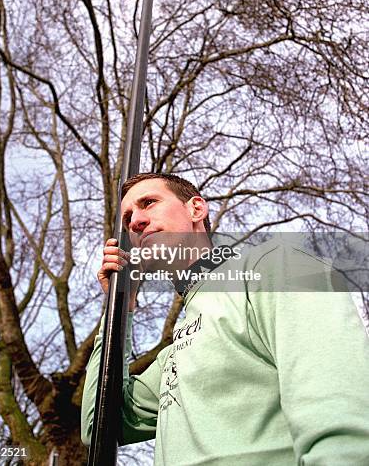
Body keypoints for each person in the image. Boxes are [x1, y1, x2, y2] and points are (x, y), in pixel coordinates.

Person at [81, 172, 369, 465]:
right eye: (128, 217)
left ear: (196, 209)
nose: (135, 221)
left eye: (149, 203)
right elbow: (98, 428)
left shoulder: (272, 268)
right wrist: (120, 306)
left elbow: (341, 424)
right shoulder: (175, 354)